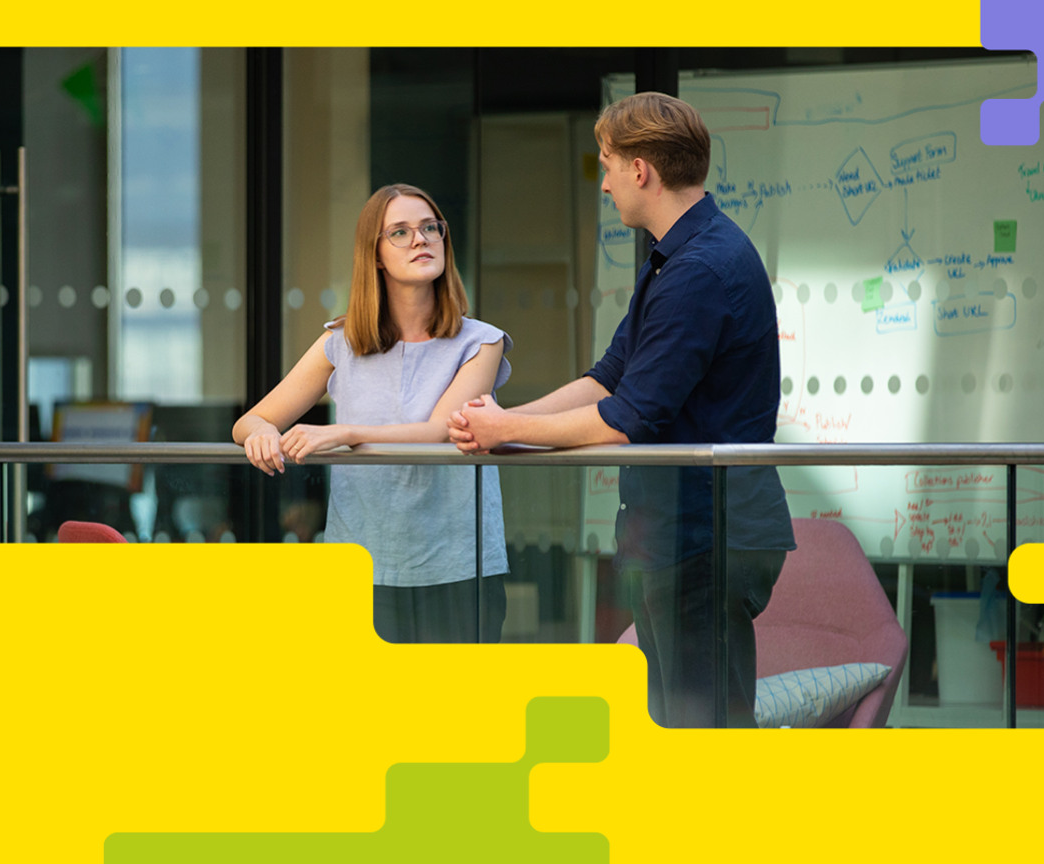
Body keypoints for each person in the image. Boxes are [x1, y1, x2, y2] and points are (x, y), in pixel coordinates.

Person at [447, 93, 795, 727]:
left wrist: (509, 428)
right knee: (674, 729)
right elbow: (608, 378)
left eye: (607, 166)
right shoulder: (676, 256)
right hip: (680, 533)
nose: (603, 185)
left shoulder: (698, 269)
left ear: (641, 170)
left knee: (704, 737)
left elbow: (626, 418)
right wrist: (498, 418)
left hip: (704, 535)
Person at [233, 183, 513, 644]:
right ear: (375, 256)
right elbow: (249, 421)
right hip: (361, 565)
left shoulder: (481, 341)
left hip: (459, 566)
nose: (421, 239)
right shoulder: (340, 343)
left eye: (430, 228)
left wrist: (342, 433)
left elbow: (440, 431)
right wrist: (261, 433)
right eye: (400, 232)